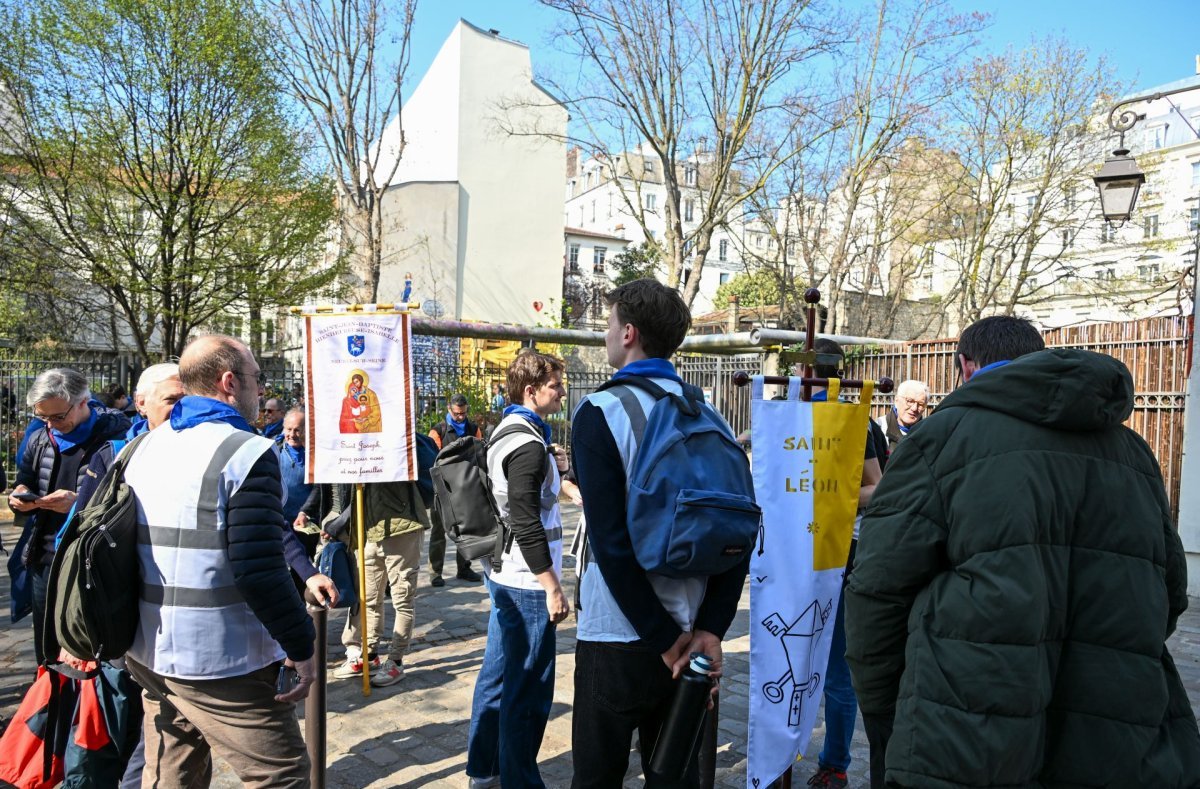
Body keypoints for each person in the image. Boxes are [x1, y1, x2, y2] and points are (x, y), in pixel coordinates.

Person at [845, 316, 1200, 787]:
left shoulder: (943, 439)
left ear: (965, 367)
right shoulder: (1133, 452)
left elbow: (879, 589)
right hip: (1112, 723)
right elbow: (1172, 589)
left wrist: (883, 703)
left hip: (966, 724)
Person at [569, 279, 749, 787]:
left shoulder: (601, 412)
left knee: (597, 778)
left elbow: (610, 544)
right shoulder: (707, 414)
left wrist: (664, 640)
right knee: (676, 777)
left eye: (607, 325)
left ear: (628, 333)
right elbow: (739, 529)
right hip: (690, 636)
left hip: (618, 636)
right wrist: (709, 630)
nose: (605, 335)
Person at [121, 335, 316, 788]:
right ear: (230, 382)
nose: (261, 391)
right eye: (257, 379)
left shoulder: (143, 446)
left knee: (171, 771)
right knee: (281, 774)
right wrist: (302, 649)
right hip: (220, 659)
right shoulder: (246, 452)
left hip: (148, 648)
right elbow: (260, 570)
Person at [466, 351, 571, 788]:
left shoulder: (510, 430)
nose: (562, 392)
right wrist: (552, 586)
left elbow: (522, 498)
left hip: (505, 573)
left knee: (497, 673)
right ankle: (520, 781)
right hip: (528, 581)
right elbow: (526, 520)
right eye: (555, 386)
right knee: (528, 688)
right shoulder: (527, 443)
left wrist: (561, 477)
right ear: (531, 391)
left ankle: (484, 768)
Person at [8, 368, 130, 664]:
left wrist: (78, 504)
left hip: (88, 560)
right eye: (43, 417)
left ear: (83, 402)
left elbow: (125, 500)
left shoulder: (117, 437)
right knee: (46, 650)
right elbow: (25, 478)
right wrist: (19, 495)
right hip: (45, 557)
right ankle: (49, 704)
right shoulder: (41, 438)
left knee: (85, 649)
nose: (51, 424)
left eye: (58, 417)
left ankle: (82, 709)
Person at [804, 339, 883, 789]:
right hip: (793, 556)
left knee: (837, 667)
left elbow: (878, 486)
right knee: (787, 658)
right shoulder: (784, 417)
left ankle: (834, 762)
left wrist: (835, 501)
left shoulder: (859, 421)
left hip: (843, 555)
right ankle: (781, 752)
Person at [324, 473, 428, 687]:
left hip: (402, 527)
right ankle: (369, 656)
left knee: (403, 599)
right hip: (369, 530)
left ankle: (396, 661)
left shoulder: (405, 442)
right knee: (368, 598)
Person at [426, 393, 484, 585]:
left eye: (464, 413)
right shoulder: (438, 431)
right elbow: (430, 460)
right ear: (449, 410)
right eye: (457, 414)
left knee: (465, 530)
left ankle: (464, 568)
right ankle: (435, 572)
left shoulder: (473, 429)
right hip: (442, 489)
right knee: (438, 531)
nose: (461, 417)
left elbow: (480, 454)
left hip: (466, 487)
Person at [874, 379, 927, 458]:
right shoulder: (879, 427)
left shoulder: (928, 432)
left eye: (921, 404)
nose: (914, 408)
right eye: (909, 401)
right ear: (896, 400)